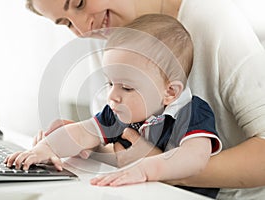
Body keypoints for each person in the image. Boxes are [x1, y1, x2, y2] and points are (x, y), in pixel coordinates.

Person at [25, 0, 265, 199]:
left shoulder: (213, 20)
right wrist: (82, 142)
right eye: (66, 23)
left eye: (79, 2)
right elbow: (124, 144)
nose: (84, 29)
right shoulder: (110, 40)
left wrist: (160, 166)